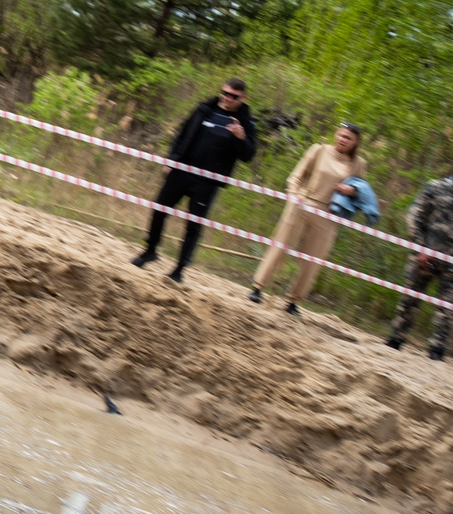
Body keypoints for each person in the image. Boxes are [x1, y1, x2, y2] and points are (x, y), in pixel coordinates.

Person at [133, 79, 260, 284]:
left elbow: (248, 156)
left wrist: (240, 138)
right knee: (159, 209)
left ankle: (179, 268)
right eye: (225, 93)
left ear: (244, 98)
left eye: (233, 96)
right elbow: (182, 134)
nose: (227, 98)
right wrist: (171, 159)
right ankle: (150, 250)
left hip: (208, 181)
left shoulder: (245, 123)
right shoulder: (204, 109)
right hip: (182, 170)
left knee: (193, 225)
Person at [246, 123, 367, 312]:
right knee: (280, 246)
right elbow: (296, 175)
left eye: (348, 138)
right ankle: (258, 287)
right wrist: (294, 195)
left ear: (355, 143)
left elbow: (361, 191)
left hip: (328, 214)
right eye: (341, 135)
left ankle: (294, 300)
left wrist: (350, 190)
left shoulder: (358, 164)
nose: (343, 139)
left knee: (313, 259)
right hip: (302, 204)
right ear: (336, 134)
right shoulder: (319, 150)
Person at [389, 173, 453, 360]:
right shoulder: (435, 186)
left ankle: (436, 351)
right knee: (410, 298)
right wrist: (419, 249)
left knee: (447, 308)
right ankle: (395, 340)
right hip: (425, 255)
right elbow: (414, 216)